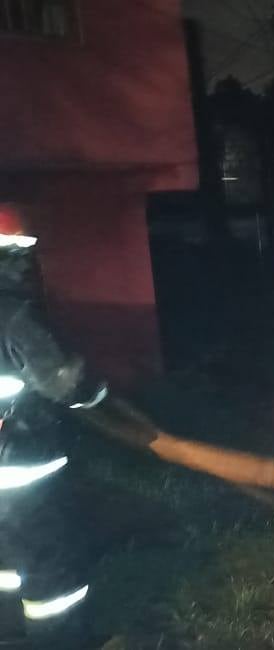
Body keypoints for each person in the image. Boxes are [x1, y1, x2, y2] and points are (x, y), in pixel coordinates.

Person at [0, 207, 110, 645]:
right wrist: (96, 394)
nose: (27, 262)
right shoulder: (12, 314)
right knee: (48, 563)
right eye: (19, 251)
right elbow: (63, 380)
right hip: (20, 466)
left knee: (5, 560)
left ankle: (8, 634)